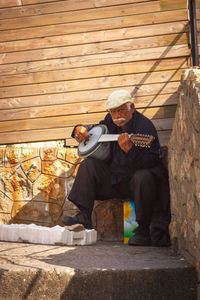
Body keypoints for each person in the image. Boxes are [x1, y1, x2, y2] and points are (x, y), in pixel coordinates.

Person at [62, 89, 171, 246]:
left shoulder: (145, 126)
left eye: (121, 110)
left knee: (143, 176)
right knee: (89, 164)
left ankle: (143, 231)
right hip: (114, 181)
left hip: (138, 188)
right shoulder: (110, 120)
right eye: (113, 111)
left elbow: (152, 164)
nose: (117, 115)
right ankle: (84, 216)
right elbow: (94, 131)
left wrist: (131, 151)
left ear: (131, 108)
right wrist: (79, 129)